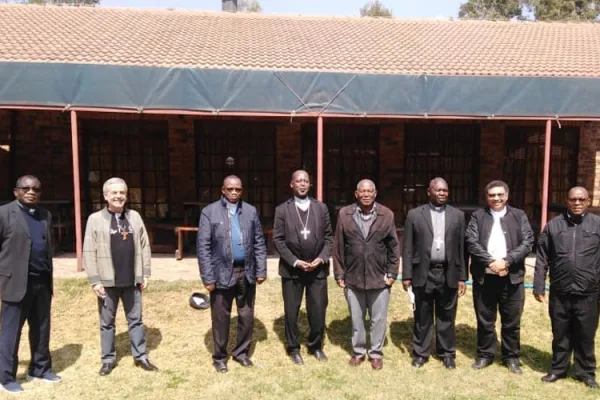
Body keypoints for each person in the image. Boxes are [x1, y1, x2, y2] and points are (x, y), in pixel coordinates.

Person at [83, 177, 158, 376]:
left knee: (136, 320)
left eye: (122, 193)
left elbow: (144, 245)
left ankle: (140, 356)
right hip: (107, 282)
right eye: (114, 193)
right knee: (107, 323)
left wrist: (145, 273)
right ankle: (108, 359)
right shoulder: (95, 219)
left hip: (132, 280)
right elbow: (89, 251)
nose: (118, 196)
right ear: (106, 196)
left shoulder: (134, 217)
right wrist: (95, 280)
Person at [197, 175, 267, 373]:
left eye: (237, 189)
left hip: (246, 272)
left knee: (246, 314)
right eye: (230, 189)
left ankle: (241, 353)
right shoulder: (209, 212)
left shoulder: (251, 211)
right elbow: (203, 247)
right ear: (223, 190)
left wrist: (261, 269)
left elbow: (259, 242)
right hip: (221, 273)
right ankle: (219, 357)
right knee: (221, 317)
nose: (234, 192)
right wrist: (208, 277)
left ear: (241, 190)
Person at [0, 175, 61, 393]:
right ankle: (6, 377)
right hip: (15, 284)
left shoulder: (45, 215)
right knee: (10, 332)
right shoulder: (4, 214)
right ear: (16, 191)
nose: (31, 191)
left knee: (41, 329)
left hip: (42, 282)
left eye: (36, 188)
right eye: (26, 188)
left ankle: (40, 369)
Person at [534, 186, 600, 389]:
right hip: (560, 291)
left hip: (589, 292)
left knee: (586, 334)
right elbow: (542, 257)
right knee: (560, 333)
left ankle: (586, 372)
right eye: (573, 199)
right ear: (567, 201)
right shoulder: (554, 226)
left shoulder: (597, 225)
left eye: (581, 199)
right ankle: (558, 369)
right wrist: (538, 286)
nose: (577, 203)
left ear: (588, 201)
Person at [466, 180, 533, 373]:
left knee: (512, 320)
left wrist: (507, 261)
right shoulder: (478, 217)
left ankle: (511, 357)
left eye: (499, 194)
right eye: (492, 195)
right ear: (486, 197)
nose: (496, 198)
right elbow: (471, 241)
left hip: (512, 278)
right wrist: (491, 262)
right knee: (485, 319)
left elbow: (528, 241)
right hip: (485, 277)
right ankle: (485, 354)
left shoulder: (519, 215)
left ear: (507, 195)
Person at [333, 179, 400, 370]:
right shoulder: (345, 214)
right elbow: (338, 246)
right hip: (353, 277)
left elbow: (394, 247)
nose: (366, 194)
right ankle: (358, 351)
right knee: (357, 319)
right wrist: (339, 273)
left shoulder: (386, 215)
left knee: (378, 319)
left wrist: (393, 272)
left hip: (379, 277)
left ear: (375, 193)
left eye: (370, 191)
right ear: (356, 194)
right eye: (362, 191)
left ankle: (376, 353)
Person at [402, 178, 467, 369]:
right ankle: (421, 353)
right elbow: (407, 247)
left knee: (447, 315)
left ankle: (446, 353)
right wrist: (406, 275)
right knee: (422, 315)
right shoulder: (415, 215)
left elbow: (463, 249)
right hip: (423, 272)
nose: (442, 193)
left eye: (445, 191)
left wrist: (462, 277)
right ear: (429, 192)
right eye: (438, 190)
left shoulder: (458, 216)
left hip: (448, 272)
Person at [273, 170, 333, 365]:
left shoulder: (321, 208)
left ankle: (315, 345)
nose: (302, 184)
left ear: (310, 184)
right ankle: (293, 348)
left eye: (306, 181)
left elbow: (329, 237)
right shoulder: (282, 210)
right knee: (292, 310)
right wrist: (296, 261)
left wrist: (322, 258)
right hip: (292, 270)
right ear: (291, 184)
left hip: (317, 269)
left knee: (318, 309)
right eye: (298, 181)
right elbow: (278, 240)